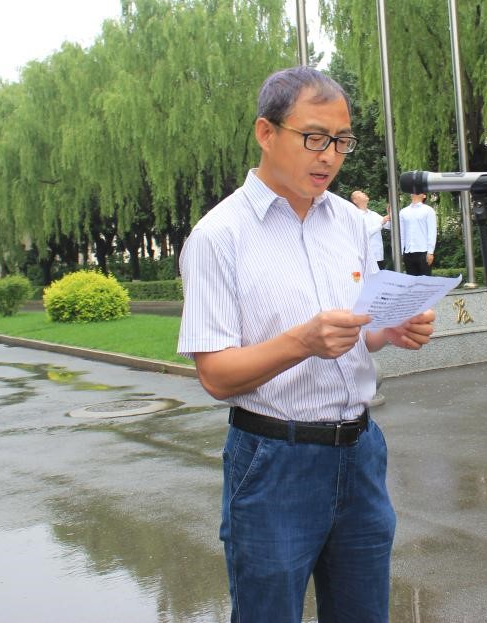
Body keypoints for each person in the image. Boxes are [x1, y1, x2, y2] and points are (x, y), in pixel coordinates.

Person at [177, 66, 436, 623]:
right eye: (314, 138)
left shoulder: (351, 223)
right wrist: (301, 341)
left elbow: (363, 327)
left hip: (360, 452)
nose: (330, 156)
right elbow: (216, 375)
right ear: (266, 133)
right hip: (274, 459)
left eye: (341, 141)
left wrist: (390, 330)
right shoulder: (218, 237)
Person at [397, 192, 437, 276]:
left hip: (423, 252)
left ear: (424, 196)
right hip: (408, 252)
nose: (414, 192)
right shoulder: (403, 211)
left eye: (418, 191)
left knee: (425, 281)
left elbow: (432, 232)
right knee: (411, 281)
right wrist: (400, 252)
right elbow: (401, 234)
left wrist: (430, 252)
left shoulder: (428, 210)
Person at [351, 189, 389, 270]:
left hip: (378, 256)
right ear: (355, 201)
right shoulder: (356, 216)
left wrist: (391, 215)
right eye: (360, 193)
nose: (364, 193)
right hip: (365, 257)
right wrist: (381, 224)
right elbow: (364, 234)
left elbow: (388, 226)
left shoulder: (374, 214)